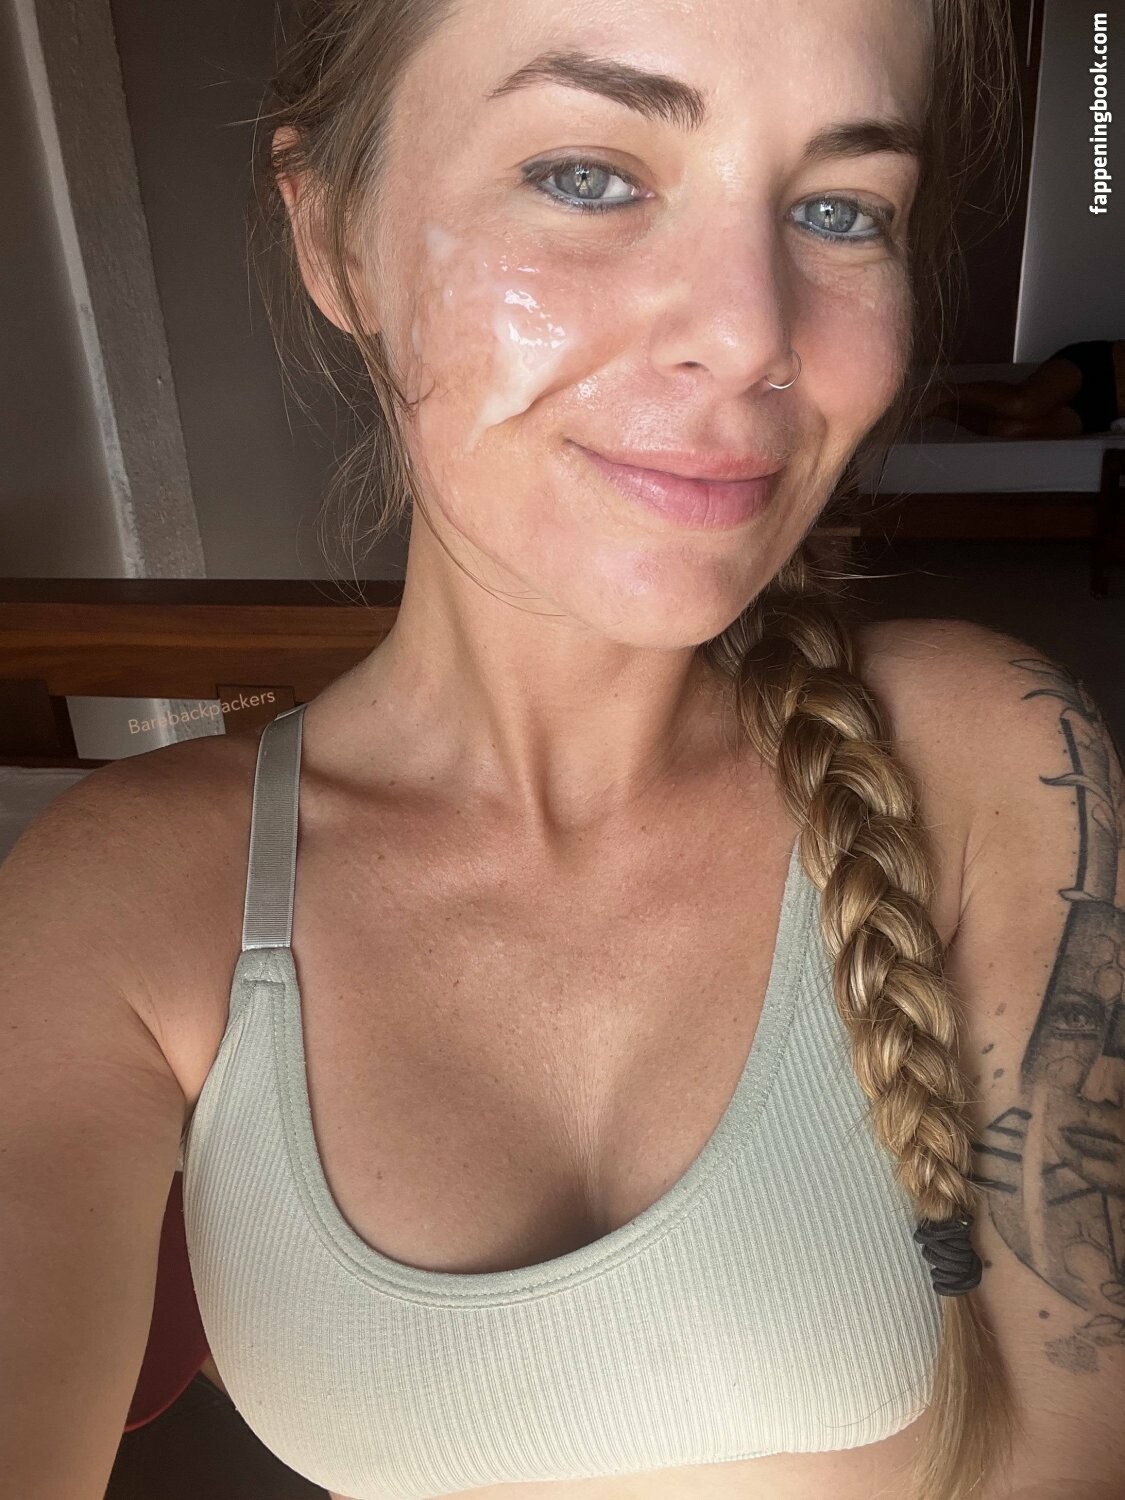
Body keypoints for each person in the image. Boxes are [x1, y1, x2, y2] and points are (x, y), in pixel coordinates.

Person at [5, 3, 1124, 1500]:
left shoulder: (986, 757)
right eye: (586, 178)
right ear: (335, 237)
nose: (751, 334)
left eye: (841, 209)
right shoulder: (128, 897)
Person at [924, 339, 1125, 438]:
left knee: (1006, 429)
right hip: (1100, 367)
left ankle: (948, 411)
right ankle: (946, 392)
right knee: (1023, 405)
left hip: (1102, 413)